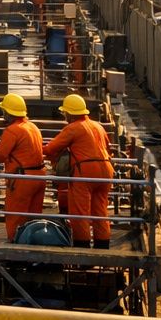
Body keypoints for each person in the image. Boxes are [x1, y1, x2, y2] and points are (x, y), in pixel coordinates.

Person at [43, 94, 115, 248]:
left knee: (80, 211)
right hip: (106, 170)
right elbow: (108, 148)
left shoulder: (73, 128)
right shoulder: (98, 126)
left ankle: (82, 246)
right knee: (100, 210)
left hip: (86, 171)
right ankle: (102, 245)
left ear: (70, 113)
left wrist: (38, 149)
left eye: (65, 113)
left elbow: (51, 148)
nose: (65, 117)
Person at [0, 93, 46, 241]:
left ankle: (14, 243)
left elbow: (1, 155)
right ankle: (33, 244)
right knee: (34, 217)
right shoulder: (33, 127)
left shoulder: (12, 130)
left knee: (15, 215)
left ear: (7, 113)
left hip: (22, 179)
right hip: (40, 176)